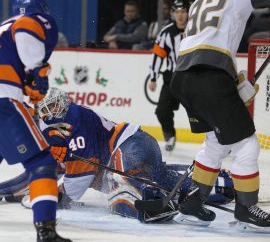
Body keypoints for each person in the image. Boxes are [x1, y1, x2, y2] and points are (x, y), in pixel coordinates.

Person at [0, 88, 234, 223]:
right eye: (46, 110)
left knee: (121, 195)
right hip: (138, 148)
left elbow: (81, 175)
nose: (51, 113)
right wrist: (6, 191)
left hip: (130, 145)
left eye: (53, 107)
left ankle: (153, 204)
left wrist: (59, 195)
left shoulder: (73, 119)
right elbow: (36, 176)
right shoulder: (54, 133)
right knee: (158, 178)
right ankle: (218, 185)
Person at [170, 0, 270, 228]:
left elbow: (212, 39)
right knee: (247, 145)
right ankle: (246, 208)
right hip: (209, 77)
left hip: (182, 78)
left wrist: (234, 82)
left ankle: (194, 200)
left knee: (215, 141)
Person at [0, 0, 71, 241]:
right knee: (42, 164)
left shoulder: (3, 26)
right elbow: (27, 30)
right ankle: (46, 231)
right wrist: (38, 78)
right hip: (3, 99)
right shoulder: (30, 21)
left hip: (7, 94)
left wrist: (26, 84)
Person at [148, 0, 189, 152]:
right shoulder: (166, 33)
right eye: (177, 11)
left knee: (204, 111)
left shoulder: (197, 30)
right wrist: (153, 77)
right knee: (162, 110)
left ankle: (220, 139)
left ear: (188, 12)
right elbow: (158, 55)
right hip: (172, 78)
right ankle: (170, 135)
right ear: (172, 13)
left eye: (184, 11)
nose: (180, 15)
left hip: (193, 78)